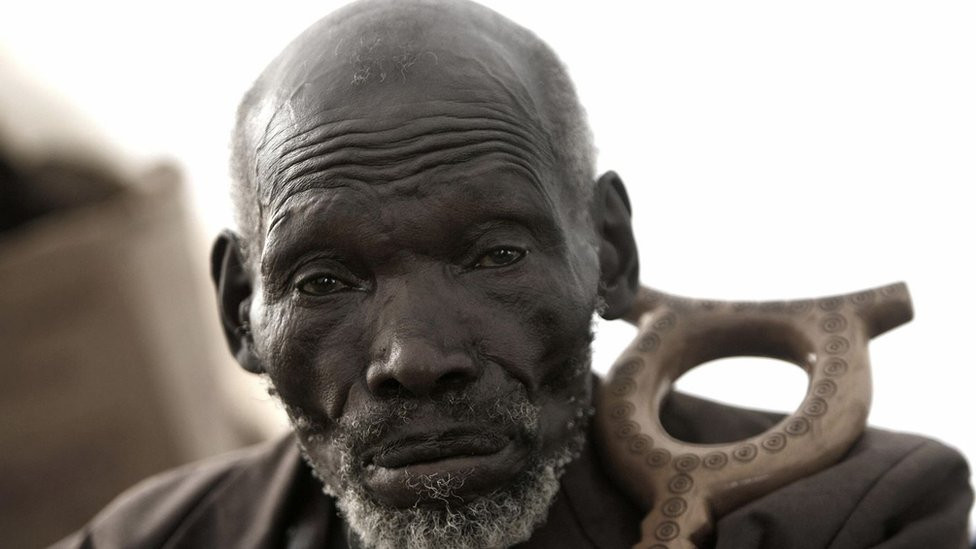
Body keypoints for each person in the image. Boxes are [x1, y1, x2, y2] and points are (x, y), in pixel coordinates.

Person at [57, 0, 973, 547]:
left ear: (607, 253)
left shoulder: (859, 519)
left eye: (494, 254)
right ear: (239, 312)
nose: (414, 356)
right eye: (325, 281)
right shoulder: (147, 541)